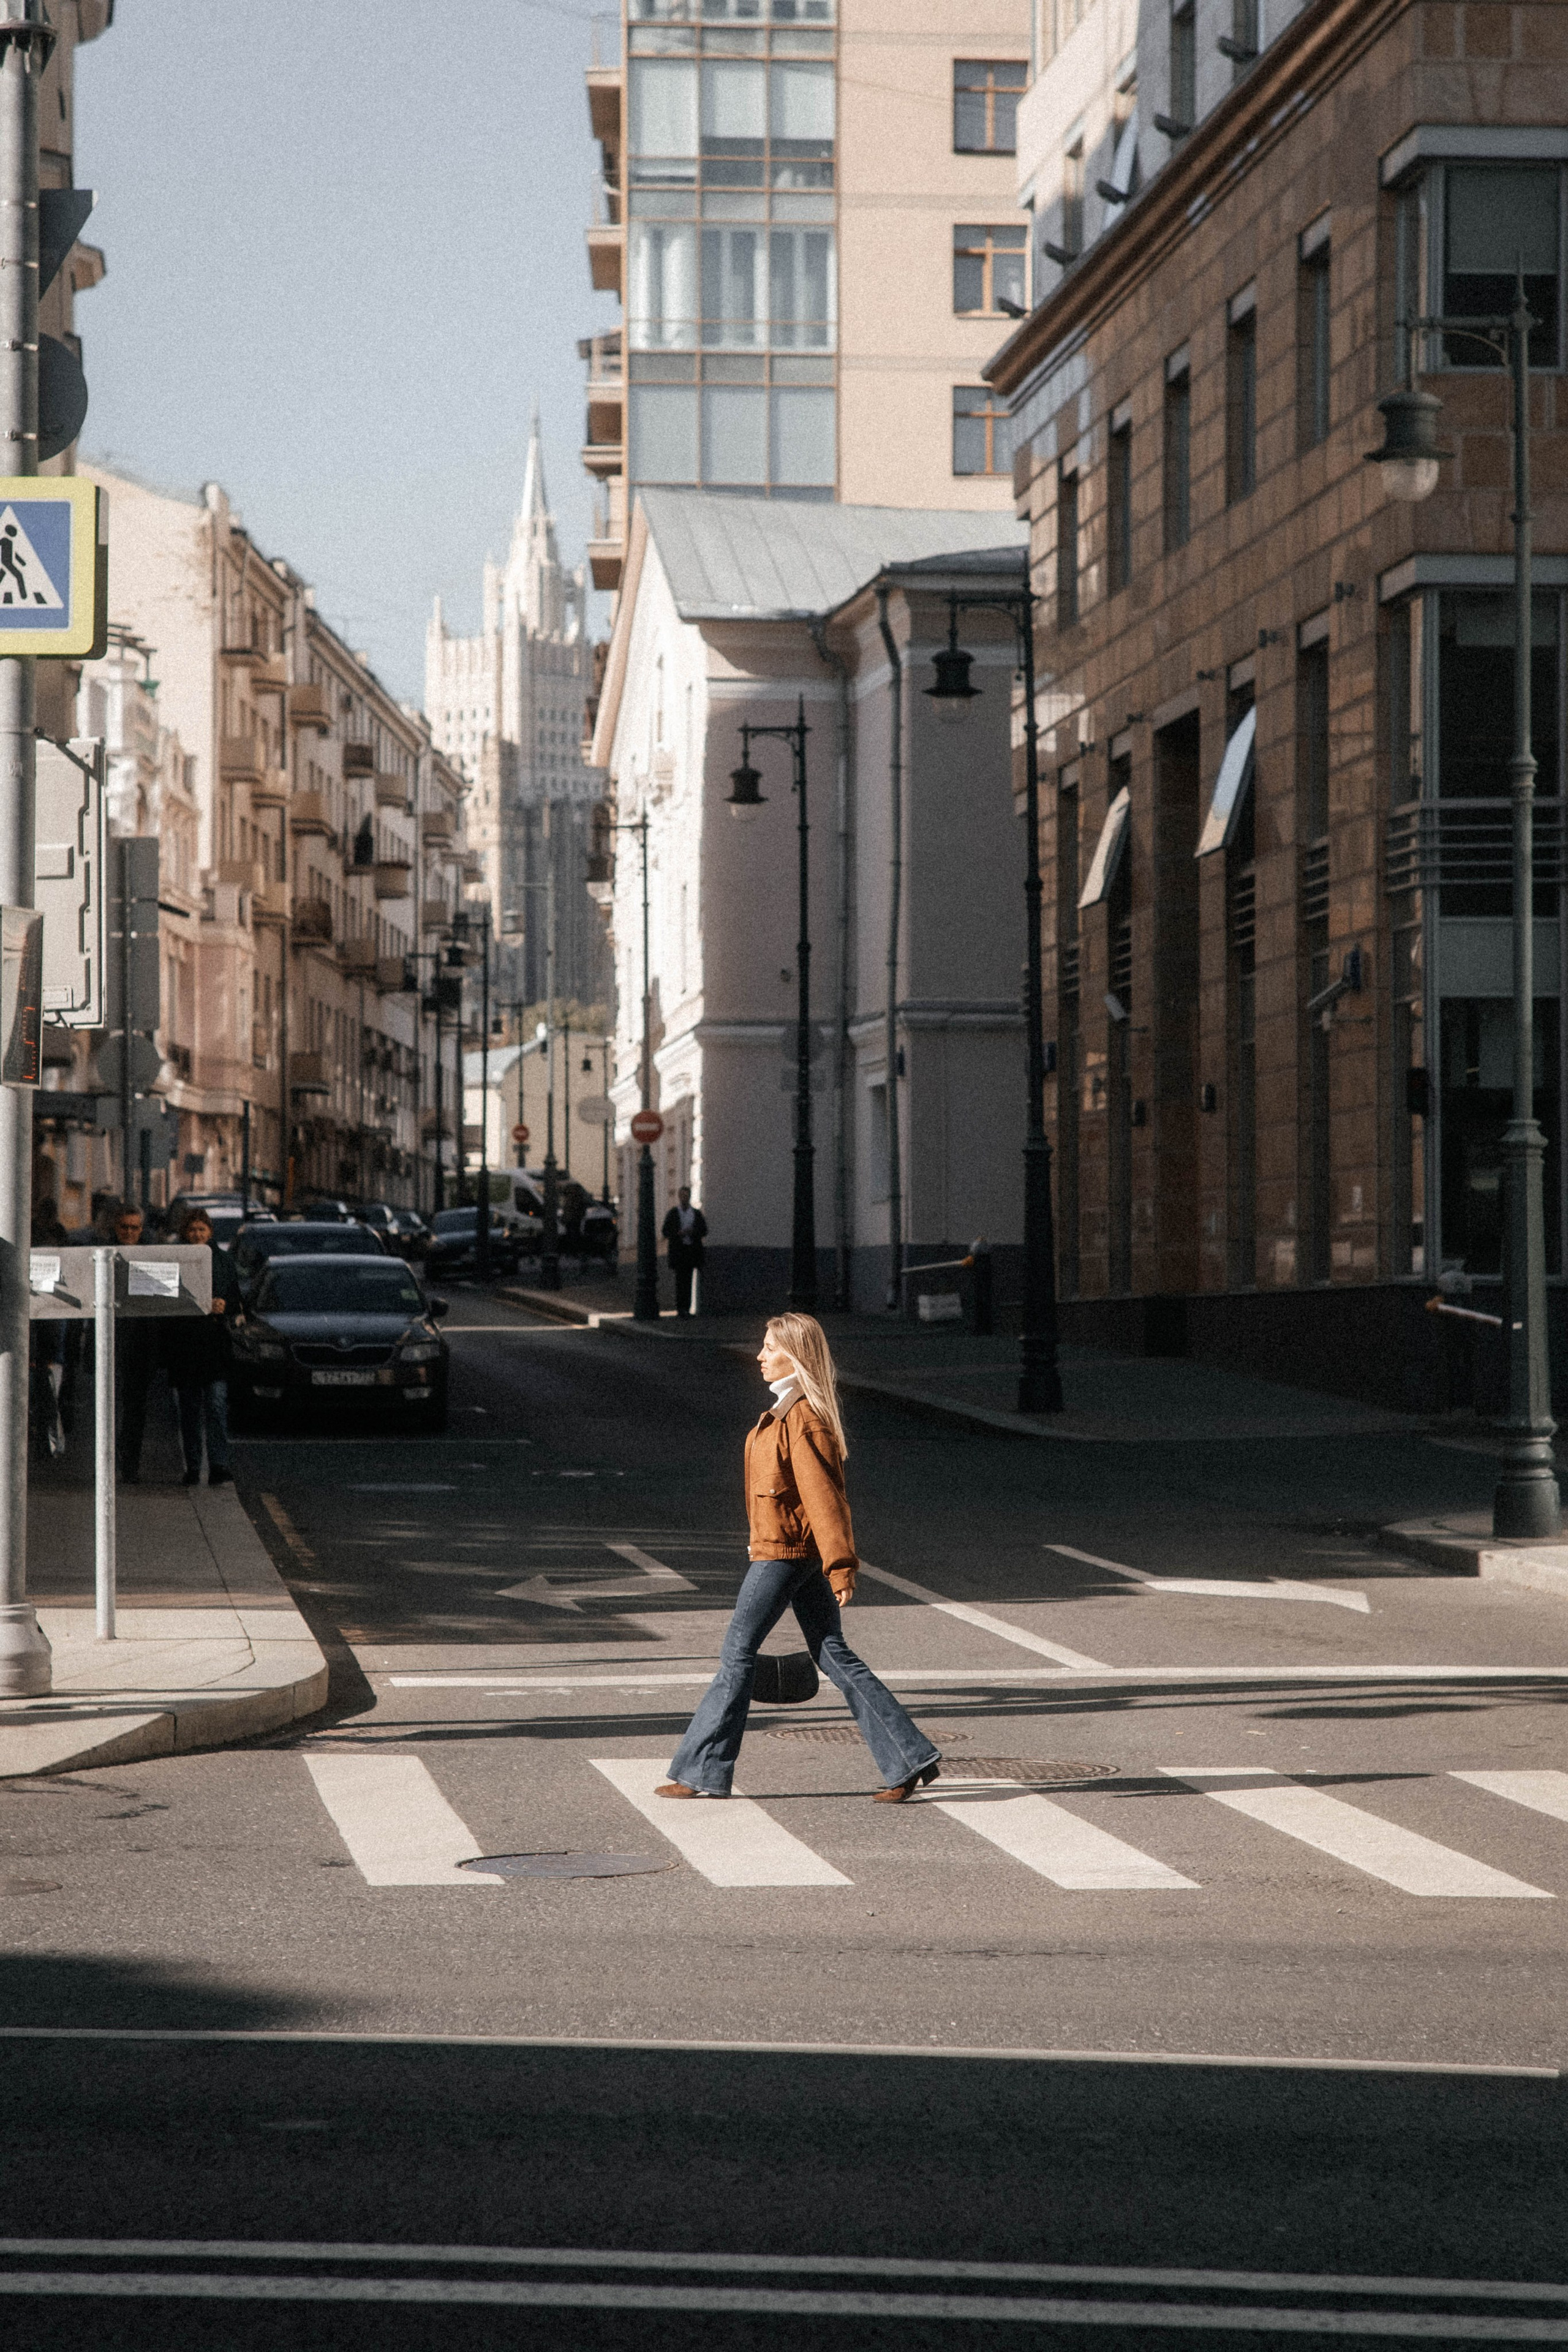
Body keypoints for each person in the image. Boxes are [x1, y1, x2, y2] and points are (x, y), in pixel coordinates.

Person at [658, 1311, 941, 1803]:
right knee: (832, 1653)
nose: (760, 1356)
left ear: (797, 1355)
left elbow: (823, 1498)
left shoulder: (802, 1418)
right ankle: (908, 1757)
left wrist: (841, 1565)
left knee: (736, 1656)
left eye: (770, 1347)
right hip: (789, 1549)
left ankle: (701, 1770)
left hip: (786, 1554)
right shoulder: (787, 1412)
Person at [162, 1205, 236, 1487]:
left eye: (201, 1230)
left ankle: (218, 1465)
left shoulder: (224, 1261)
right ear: (185, 1233)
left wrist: (225, 1306)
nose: (196, 1235)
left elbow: (237, 1300)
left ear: (210, 1233)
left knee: (216, 1406)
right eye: (192, 1230)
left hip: (215, 1344)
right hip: (186, 1346)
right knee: (189, 1410)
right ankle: (193, 1467)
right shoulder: (176, 1259)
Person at [111, 1202, 160, 1485]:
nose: (129, 1232)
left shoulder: (150, 1256)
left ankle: (130, 1466)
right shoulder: (103, 1253)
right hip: (113, 1343)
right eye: (124, 1227)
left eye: (134, 1227)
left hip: (141, 1347)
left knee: (135, 1411)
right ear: (115, 1228)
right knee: (107, 1409)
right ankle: (108, 1463)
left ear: (142, 1230)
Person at [661, 1185, 707, 1318]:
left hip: (692, 1251)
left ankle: (687, 1308)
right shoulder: (674, 1213)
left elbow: (704, 1230)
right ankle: (681, 1308)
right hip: (679, 1252)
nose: (684, 1198)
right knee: (680, 1281)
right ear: (679, 1197)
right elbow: (665, 1231)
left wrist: (693, 1232)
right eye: (682, 1196)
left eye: (687, 1196)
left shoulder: (696, 1214)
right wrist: (678, 1233)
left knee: (689, 1280)